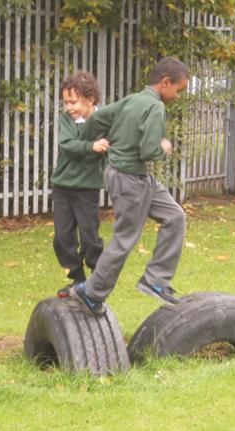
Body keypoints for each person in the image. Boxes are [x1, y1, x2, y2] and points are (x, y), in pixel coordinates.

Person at [69, 57, 189, 316]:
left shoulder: (133, 99)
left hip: (135, 177)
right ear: (165, 82)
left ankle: (156, 279)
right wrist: (163, 148)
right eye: (178, 90)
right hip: (128, 178)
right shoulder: (155, 108)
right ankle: (91, 293)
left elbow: (97, 119)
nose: (178, 96)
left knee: (175, 215)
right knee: (125, 239)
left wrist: (87, 140)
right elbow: (148, 150)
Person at [51, 71, 109, 298]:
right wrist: (91, 147)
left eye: (73, 102)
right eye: (66, 102)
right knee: (62, 236)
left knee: (89, 236)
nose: (68, 107)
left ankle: (97, 277)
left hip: (87, 190)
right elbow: (68, 145)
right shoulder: (67, 120)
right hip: (63, 187)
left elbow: (117, 139)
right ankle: (76, 277)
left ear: (91, 99)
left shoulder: (104, 119)